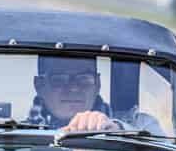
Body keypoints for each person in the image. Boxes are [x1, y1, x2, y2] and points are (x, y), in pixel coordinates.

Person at [27, 55, 163, 134]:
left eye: (84, 79)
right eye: (59, 79)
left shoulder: (141, 125)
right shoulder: (20, 134)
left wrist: (116, 131)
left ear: (97, 83)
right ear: (39, 85)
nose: (74, 88)